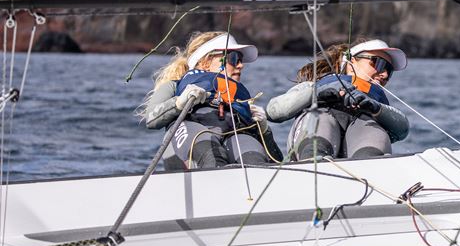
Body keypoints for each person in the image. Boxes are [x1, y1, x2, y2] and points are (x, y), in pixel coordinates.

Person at [139, 31, 276, 170]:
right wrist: (179, 102)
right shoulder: (175, 86)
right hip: (191, 132)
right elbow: (151, 119)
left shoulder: (242, 100)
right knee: (211, 155)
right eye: (233, 58)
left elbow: (278, 160)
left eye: (240, 59)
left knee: (256, 162)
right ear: (205, 62)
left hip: (235, 134)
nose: (240, 65)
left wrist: (265, 131)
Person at [267, 38, 409, 160]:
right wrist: (316, 93)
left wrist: (375, 108)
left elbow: (402, 130)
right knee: (319, 119)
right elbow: (274, 111)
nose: (384, 74)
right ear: (351, 61)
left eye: (389, 70)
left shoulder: (378, 103)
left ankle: (368, 167)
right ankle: (313, 162)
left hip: (361, 133)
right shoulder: (313, 85)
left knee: (372, 131)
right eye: (378, 63)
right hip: (318, 125)